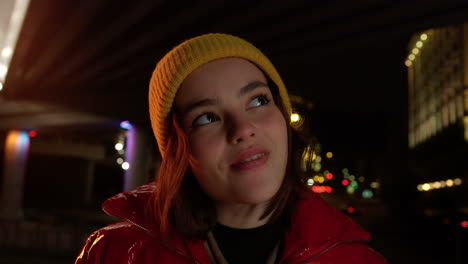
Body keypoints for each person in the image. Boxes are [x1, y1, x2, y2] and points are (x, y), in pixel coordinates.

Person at [74, 33, 387, 264]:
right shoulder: (113, 255)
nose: (242, 129)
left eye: (258, 100)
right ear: (179, 149)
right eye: (207, 117)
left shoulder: (357, 259)